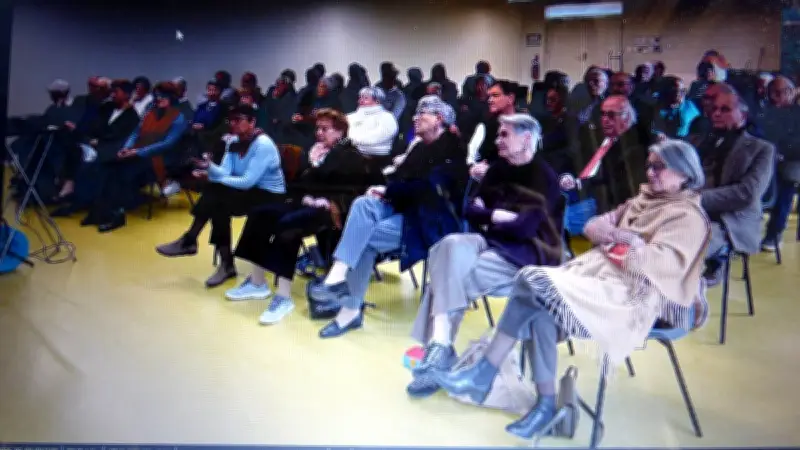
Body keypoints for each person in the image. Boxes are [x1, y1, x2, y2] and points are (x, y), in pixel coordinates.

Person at [432, 139, 711, 440]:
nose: (651, 172)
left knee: (530, 280)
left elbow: (653, 265)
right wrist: (625, 238)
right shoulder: (640, 200)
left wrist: (615, 240)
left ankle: (486, 373)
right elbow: (591, 226)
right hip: (598, 278)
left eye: (659, 167)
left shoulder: (687, 218)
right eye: (649, 165)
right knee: (540, 309)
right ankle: (544, 403)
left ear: (684, 173)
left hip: (630, 298)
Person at [406, 114, 563, 398]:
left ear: (526, 139)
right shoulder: (499, 169)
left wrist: (489, 214)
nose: (497, 140)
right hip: (492, 241)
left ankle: (438, 350)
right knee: (448, 246)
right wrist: (498, 215)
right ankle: (441, 347)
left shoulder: (544, 177)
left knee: (448, 277)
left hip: (526, 253)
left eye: (504, 135)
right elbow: (470, 210)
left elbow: (525, 228)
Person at [308, 96, 469, 339]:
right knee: (363, 204)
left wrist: (389, 190)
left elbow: (428, 191)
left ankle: (349, 310)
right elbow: (399, 180)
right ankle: (339, 272)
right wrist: (384, 189)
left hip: (429, 222)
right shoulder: (420, 147)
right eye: (415, 113)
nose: (415, 118)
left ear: (439, 120)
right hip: (406, 209)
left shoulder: (453, 151)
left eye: (423, 114)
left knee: (363, 238)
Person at [228, 109, 386, 324]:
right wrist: (309, 172)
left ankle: (283, 297)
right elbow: (300, 185)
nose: (319, 133)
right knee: (260, 214)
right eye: (317, 128)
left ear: (340, 132)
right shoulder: (317, 151)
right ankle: (257, 283)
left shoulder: (349, 155)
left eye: (325, 129)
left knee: (288, 225)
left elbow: (342, 189)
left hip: (331, 210)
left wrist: (314, 170)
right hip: (307, 201)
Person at [154, 105, 286, 287]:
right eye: (230, 120)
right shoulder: (232, 142)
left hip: (270, 196)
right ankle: (219, 260)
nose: (233, 124)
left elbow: (248, 180)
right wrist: (208, 166)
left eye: (238, 120)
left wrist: (214, 178)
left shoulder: (263, 144)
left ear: (252, 122)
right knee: (218, 202)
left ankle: (195, 243)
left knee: (217, 195)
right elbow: (224, 171)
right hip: (248, 192)